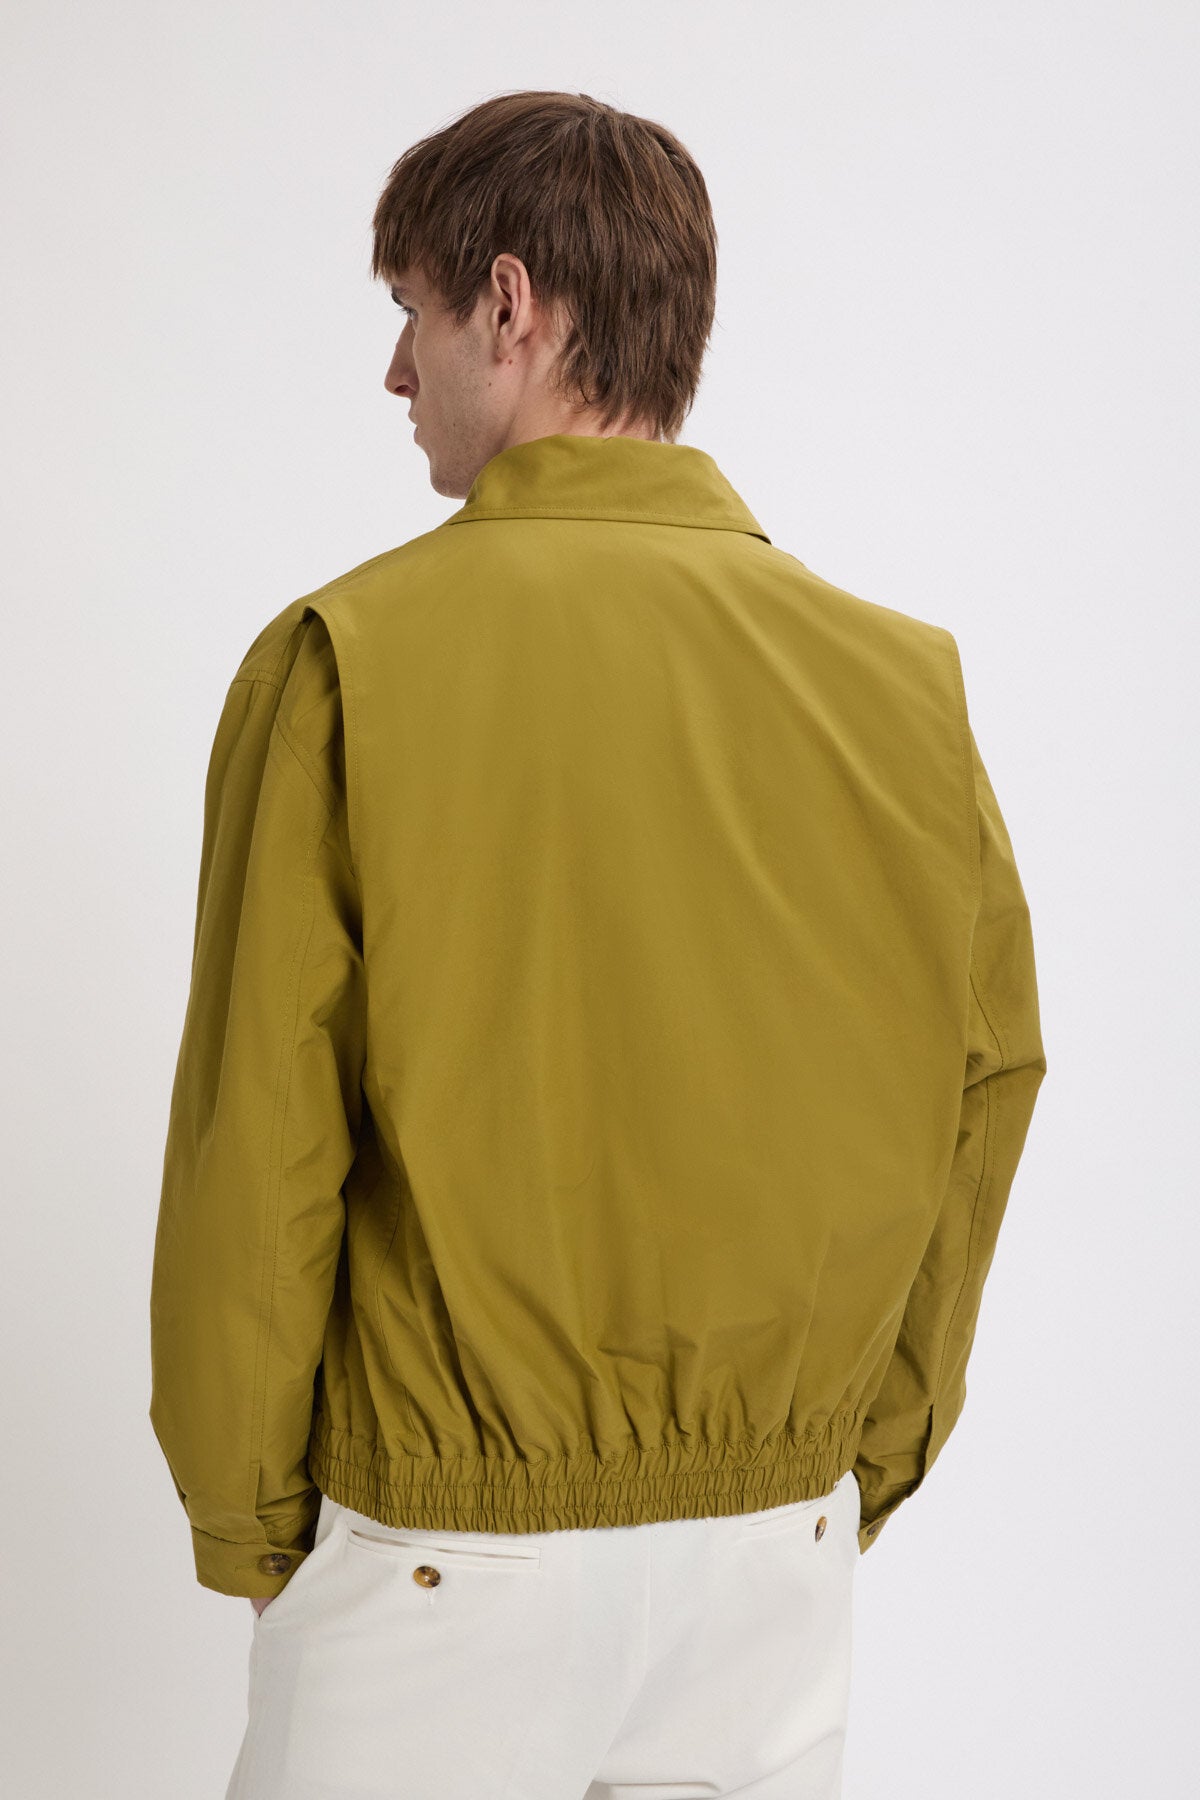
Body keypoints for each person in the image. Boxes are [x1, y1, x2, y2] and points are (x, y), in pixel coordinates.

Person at [148, 89, 1047, 1800]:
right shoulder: (901, 687)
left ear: (510, 306)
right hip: (772, 1555)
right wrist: (854, 1455)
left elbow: (261, 1135)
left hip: (440, 1560)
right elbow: (987, 1082)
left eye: (410, 312)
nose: (394, 371)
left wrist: (253, 1522)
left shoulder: (347, 659)